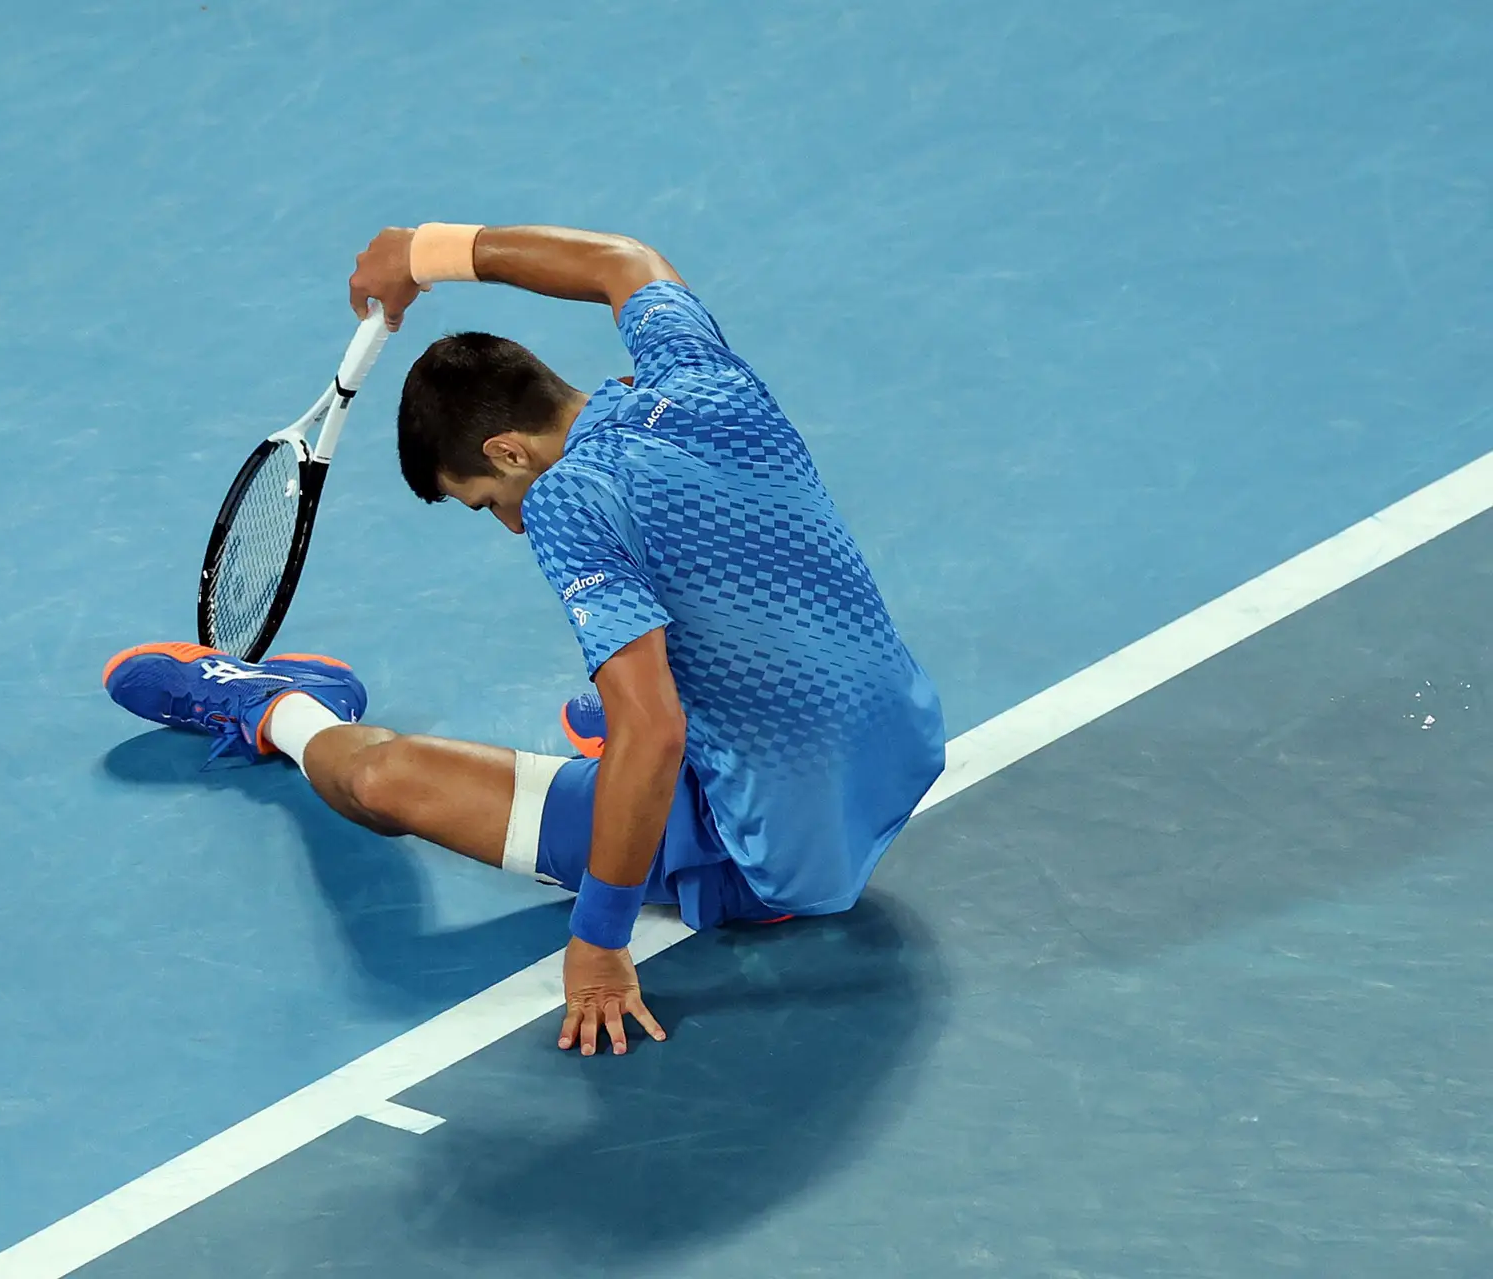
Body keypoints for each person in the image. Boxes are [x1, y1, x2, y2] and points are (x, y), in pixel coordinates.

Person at [101, 224, 946, 1057]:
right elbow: (623, 263)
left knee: (377, 777)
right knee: (658, 675)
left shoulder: (565, 500)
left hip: (771, 860)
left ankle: (271, 705)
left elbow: (652, 730)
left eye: (487, 502)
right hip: (898, 757)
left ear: (508, 451)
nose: (508, 525)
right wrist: (425, 250)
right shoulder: (698, 378)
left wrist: (602, 942)